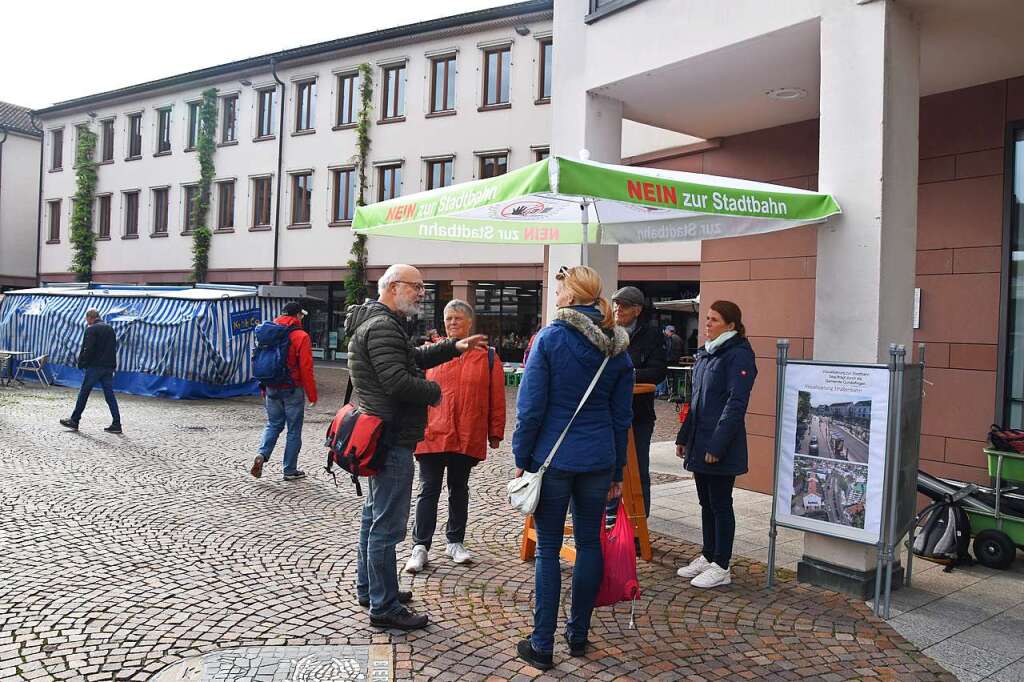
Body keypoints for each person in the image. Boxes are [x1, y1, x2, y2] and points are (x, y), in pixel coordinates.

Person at [346, 264, 487, 631]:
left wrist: (453, 348)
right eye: (417, 287)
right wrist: (436, 392)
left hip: (381, 434)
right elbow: (397, 381)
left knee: (373, 517)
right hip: (390, 437)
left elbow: (412, 358)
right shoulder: (381, 327)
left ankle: (373, 589)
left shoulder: (382, 322)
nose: (422, 293)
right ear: (394, 287)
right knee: (387, 528)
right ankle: (384, 606)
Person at [513, 265, 634, 670]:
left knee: (548, 548)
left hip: (553, 458)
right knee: (589, 544)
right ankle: (578, 634)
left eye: (559, 288)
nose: (556, 293)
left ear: (569, 295)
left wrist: (521, 459)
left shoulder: (550, 338)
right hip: (599, 458)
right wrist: (617, 469)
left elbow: (530, 410)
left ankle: (542, 643)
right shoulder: (618, 347)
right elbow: (622, 418)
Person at [405, 299, 506, 573]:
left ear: (470, 322)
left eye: (457, 318)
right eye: (448, 318)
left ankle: (455, 541)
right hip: (433, 433)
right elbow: (413, 391)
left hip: (467, 432)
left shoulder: (487, 356)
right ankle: (420, 545)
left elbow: (496, 397)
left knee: (459, 489)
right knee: (428, 489)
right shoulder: (431, 353)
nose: (452, 323)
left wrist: (496, 431)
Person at [674, 301, 757, 588]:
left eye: (714, 320)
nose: (707, 324)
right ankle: (709, 555)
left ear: (731, 325)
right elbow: (695, 401)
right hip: (700, 441)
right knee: (706, 503)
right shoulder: (707, 354)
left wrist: (717, 445)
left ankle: (722, 565)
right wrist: (684, 437)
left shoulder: (738, 356)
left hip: (720, 445)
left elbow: (736, 404)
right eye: (706, 318)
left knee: (721, 504)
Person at [610, 286, 667, 519]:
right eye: (615, 304)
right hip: (609, 413)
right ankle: (608, 521)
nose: (617, 309)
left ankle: (638, 522)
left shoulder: (652, 334)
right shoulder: (607, 331)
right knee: (608, 468)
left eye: (623, 305)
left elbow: (658, 371)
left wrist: (628, 374)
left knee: (639, 470)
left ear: (637, 310)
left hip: (639, 414)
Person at [250, 301, 318, 481]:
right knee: (293, 430)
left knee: (273, 424)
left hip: (271, 386)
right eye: (301, 315)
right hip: (292, 389)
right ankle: (289, 470)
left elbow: (259, 358)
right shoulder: (301, 336)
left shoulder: (268, 332)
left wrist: (264, 386)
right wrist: (312, 394)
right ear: (297, 315)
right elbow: (306, 368)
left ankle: (262, 455)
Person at [60, 308, 122, 433]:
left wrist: (82, 363)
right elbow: (113, 349)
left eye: (87, 319)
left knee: (84, 392)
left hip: (95, 367)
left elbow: (88, 349)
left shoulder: (91, 329)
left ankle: (74, 420)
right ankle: (116, 423)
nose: (87, 322)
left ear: (90, 318)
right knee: (109, 395)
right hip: (108, 367)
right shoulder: (110, 329)